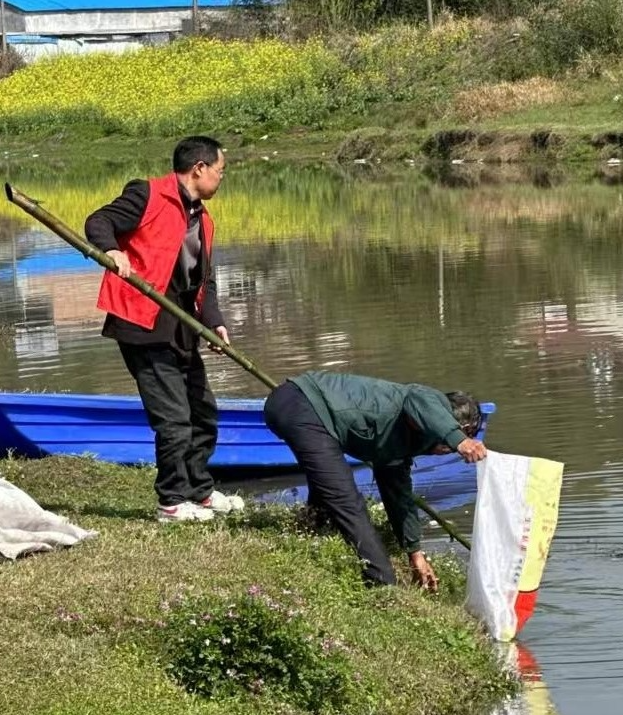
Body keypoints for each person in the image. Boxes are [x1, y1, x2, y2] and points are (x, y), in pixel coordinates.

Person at [85, 135, 243, 523]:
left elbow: (204, 282)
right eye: (220, 170)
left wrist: (215, 322)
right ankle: (171, 501)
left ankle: (199, 492)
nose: (222, 177)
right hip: (143, 324)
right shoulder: (148, 194)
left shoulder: (203, 219)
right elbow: (98, 221)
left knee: (203, 413)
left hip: (182, 326)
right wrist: (113, 250)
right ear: (199, 169)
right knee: (173, 418)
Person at [263, 371, 488, 590]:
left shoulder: (401, 444)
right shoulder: (426, 399)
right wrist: (459, 440)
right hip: (302, 403)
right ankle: (383, 584)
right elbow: (417, 399)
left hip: (303, 410)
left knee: (329, 480)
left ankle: (312, 527)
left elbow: (398, 496)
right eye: (459, 435)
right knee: (346, 500)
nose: (448, 449)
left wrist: (414, 552)